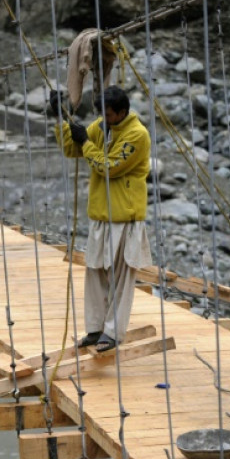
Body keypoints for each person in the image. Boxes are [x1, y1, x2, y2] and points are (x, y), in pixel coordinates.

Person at [49, 85, 153, 352]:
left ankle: (113, 332)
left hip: (124, 218)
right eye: (102, 115)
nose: (103, 119)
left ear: (122, 112)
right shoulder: (103, 126)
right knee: (95, 273)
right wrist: (61, 122)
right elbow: (72, 151)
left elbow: (108, 168)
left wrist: (85, 142)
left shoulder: (137, 135)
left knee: (120, 278)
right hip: (101, 215)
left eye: (108, 115)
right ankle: (95, 329)